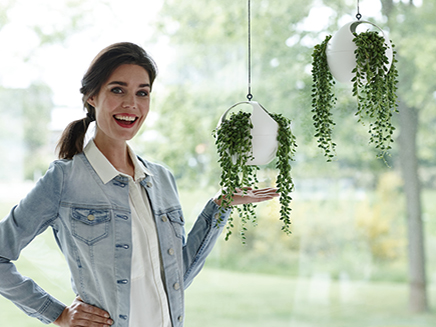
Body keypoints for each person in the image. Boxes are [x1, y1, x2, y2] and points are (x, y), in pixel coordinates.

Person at [0, 42, 278, 327]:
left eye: (142, 93)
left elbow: (176, 278)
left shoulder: (161, 179)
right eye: (117, 89)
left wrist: (219, 207)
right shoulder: (64, 179)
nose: (131, 104)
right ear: (92, 96)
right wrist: (57, 313)